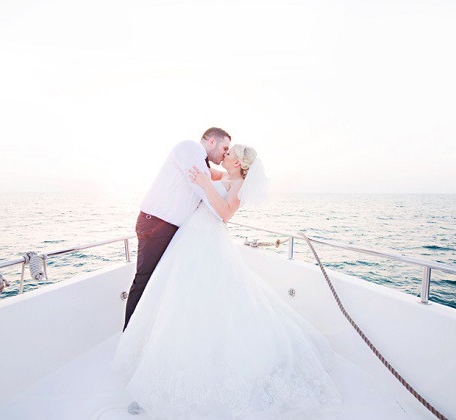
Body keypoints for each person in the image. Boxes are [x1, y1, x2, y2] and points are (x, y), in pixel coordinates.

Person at [111, 144, 410, 419]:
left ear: (238, 163)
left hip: (206, 239)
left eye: (229, 153)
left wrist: (205, 185)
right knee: (184, 301)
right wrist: (200, 179)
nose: (225, 155)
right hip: (191, 238)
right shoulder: (225, 176)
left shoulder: (238, 185)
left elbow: (224, 213)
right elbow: (202, 177)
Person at [123, 127, 231, 331]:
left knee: (163, 283)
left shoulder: (202, 162)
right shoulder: (189, 149)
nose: (225, 153)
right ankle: (129, 334)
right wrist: (222, 212)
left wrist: (241, 174)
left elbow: (221, 176)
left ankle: (150, 332)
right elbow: (203, 188)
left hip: (172, 229)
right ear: (212, 142)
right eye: (224, 148)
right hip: (156, 225)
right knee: (145, 280)